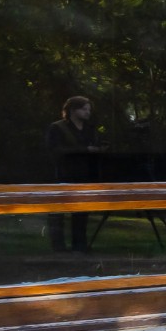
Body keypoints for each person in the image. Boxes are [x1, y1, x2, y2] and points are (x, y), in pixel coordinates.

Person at [44, 95, 98, 251]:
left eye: (89, 109)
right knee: (58, 213)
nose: (88, 112)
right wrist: (83, 150)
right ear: (73, 110)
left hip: (83, 174)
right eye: (84, 109)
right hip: (62, 173)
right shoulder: (57, 128)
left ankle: (79, 246)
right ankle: (58, 247)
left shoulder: (89, 129)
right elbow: (54, 151)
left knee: (82, 212)